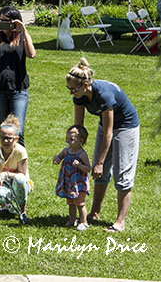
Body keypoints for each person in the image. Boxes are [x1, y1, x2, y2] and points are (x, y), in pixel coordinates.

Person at [66, 57, 140, 232]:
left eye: (73, 89)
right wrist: (75, 149)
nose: (71, 93)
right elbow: (79, 128)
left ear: (85, 85)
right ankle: (94, 213)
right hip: (106, 125)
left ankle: (120, 222)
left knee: (122, 174)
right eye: (68, 89)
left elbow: (109, 133)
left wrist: (99, 162)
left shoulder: (104, 95)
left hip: (126, 126)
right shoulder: (80, 96)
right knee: (99, 173)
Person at [0, 6, 36, 146]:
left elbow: (32, 54)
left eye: (7, 21)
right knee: (5, 131)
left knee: (18, 131)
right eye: (1, 20)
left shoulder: (22, 37)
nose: (4, 24)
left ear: (16, 21)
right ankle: (7, 164)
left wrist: (24, 31)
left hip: (18, 89)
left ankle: (21, 164)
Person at [0, 115, 32, 223]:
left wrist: (5, 174)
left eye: (9, 138)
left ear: (16, 139)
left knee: (20, 180)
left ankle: (22, 211)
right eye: (3, 137)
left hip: (21, 183)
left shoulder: (20, 151)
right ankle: (5, 205)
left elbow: (22, 175)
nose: (6, 141)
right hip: (7, 183)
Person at [53, 125, 91, 231]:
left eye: (71, 139)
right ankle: (72, 220)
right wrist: (56, 159)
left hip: (79, 183)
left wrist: (79, 165)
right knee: (70, 202)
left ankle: (84, 222)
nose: (68, 141)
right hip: (69, 181)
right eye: (67, 139)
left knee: (80, 203)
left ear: (81, 140)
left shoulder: (82, 154)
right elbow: (59, 157)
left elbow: (88, 168)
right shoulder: (66, 151)